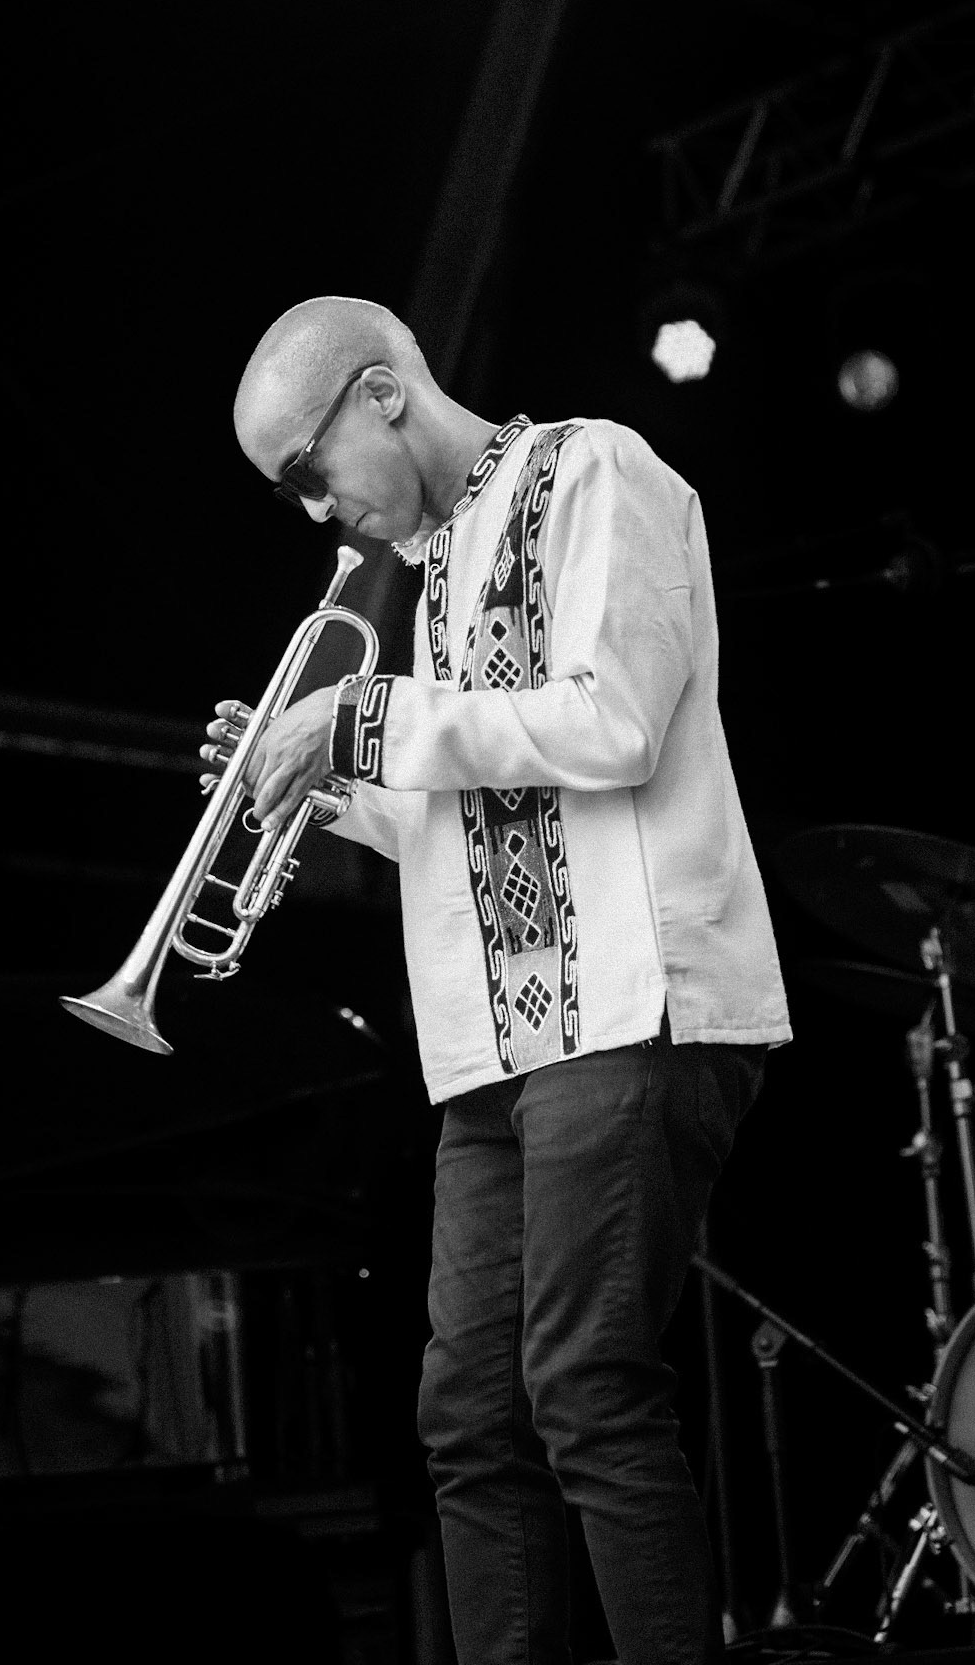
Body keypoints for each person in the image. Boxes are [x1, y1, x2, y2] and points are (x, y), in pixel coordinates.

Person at [205, 295, 791, 1665]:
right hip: (504, 1047)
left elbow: (616, 724)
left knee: (584, 1387)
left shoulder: (597, 470)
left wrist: (366, 716)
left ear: (381, 394)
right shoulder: (446, 561)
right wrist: (325, 791)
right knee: (467, 1418)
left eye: (306, 468)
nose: (311, 510)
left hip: (627, 1010)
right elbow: (487, 811)